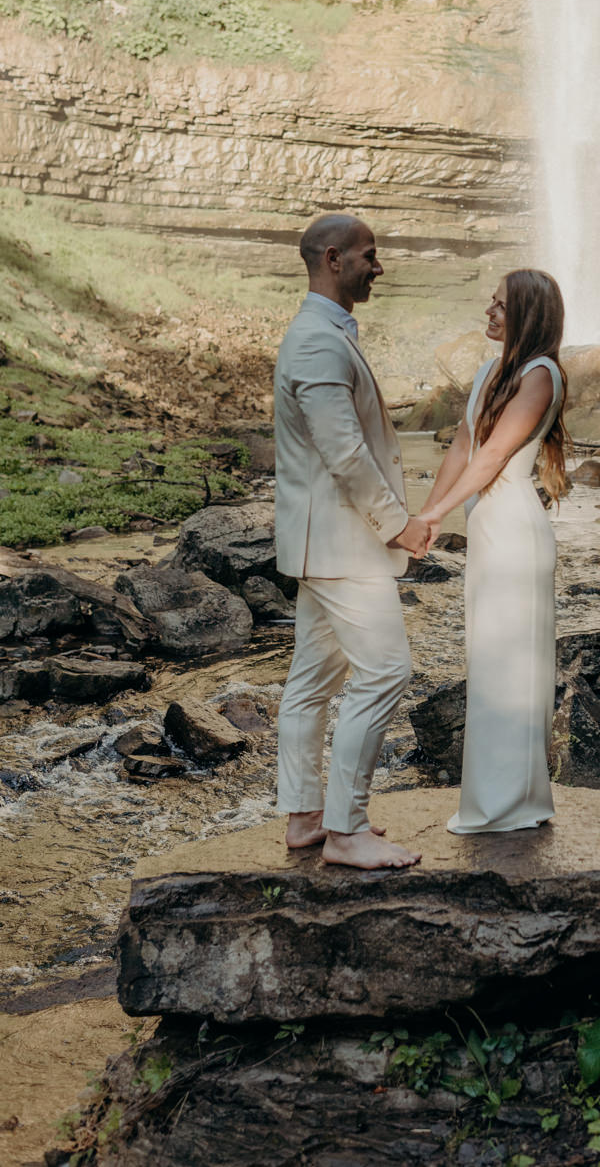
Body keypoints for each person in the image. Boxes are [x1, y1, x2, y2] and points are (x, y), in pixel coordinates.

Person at [273, 212, 431, 870]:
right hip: (344, 545)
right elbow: (345, 452)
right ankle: (346, 830)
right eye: (370, 254)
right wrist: (399, 522)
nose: (379, 265)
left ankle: (306, 816)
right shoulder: (316, 340)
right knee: (387, 670)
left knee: (313, 681)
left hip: (326, 544)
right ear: (334, 258)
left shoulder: (326, 331)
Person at [420, 269, 569, 833]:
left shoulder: (542, 375)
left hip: (514, 532)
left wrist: (434, 514)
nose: (489, 310)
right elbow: (463, 447)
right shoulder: (490, 370)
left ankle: (515, 804)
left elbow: (494, 458)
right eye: (491, 301)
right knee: (488, 661)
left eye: (502, 305)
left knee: (515, 663)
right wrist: (425, 517)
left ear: (529, 315)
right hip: (486, 529)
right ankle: (492, 801)